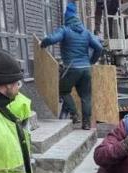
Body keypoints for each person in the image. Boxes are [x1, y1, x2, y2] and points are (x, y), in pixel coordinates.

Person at [40, 1, 103, 129]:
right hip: (85, 69)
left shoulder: (65, 30)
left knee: (63, 90)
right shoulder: (85, 32)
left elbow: (52, 39)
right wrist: (91, 61)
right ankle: (86, 124)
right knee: (86, 96)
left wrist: (43, 43)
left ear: (66, 18)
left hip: (71, 68)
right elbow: (99, 47)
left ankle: (74, 114)